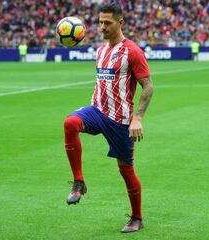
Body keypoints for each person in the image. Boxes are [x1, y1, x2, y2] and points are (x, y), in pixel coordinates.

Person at [63, 2, 154, 233]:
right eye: (100, 22)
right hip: (97, 111)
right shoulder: (101, 49)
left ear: (120, 22)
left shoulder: (132, 51)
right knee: (70, 123)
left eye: (107, 23)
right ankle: (79, 182)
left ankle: (137, 218)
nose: (102, 27)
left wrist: (138, 118)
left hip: (120, 121)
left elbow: (148, 87)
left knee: (126, 170)